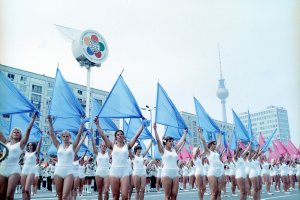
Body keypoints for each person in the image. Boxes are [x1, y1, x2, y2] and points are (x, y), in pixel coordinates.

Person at [94, 116, 144, 200]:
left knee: (125, 196)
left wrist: (142, 126)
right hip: (114, 172)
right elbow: (102, 135)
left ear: (123, 136)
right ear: (116, 137)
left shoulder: (127, 146)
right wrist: (97, 124)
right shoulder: (112, 146)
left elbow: (136, 136)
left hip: (124, 172)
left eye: (121, 134)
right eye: (118, 134)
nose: (120, 135)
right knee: (115, 195)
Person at [47, 115, 86, 200]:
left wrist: (82, 122)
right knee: (60, 195)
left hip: (69, 172)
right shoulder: (58, 145)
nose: (65, 138)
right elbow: (52, 134)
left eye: (67, 136)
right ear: (61, 137)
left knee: (65, 196)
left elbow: (79, 135)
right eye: (63, 136)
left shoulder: (73, 146)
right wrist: (50, 122)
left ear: (70, 137)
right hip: (58, 172)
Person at [0, 112, 37, 200]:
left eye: (18, 132)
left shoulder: (21, 144)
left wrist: (32, 119)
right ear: (11, 134)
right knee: (1, 194)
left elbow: (27, 131)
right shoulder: (6, 142)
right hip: (2, 169)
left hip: (14, 170)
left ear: (20, 135)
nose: (16, 132)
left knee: (9, 195)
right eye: (14, 131)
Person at [153, 122, 187, 200]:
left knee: (174, 194)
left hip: (175, 173)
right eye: (169, 141)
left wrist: (185, 133)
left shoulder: (174, 149)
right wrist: (155, 130)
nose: (171, 142)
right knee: (167, 195)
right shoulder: (162, 150)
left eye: (172, 141)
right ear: (165, 142)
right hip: (166, 173)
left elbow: (181, 141)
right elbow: (158, 141)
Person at [197, 127, 223, 200]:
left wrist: (220, 135)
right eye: (214, 144)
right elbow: (203, 141)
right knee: (214, 192)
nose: (215, 145)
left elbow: (219, 143)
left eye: (215, 144)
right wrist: (200, 133)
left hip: (219, 171)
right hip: (212, 172)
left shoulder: (216, 151)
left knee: (219, 191)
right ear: (210, 145)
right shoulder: (208, 152)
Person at [21, 135, 42, 200]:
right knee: (23, 190)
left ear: (33, 146)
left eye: (31, 145)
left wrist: (41, 138)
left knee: (27, 189)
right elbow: (21, 145)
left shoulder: (35, 153)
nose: (30, 146)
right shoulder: (25, 152)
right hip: (24, 170)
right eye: (29, 145)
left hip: (31, 170)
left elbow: (39, 146)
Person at [91, 133, 110, 200]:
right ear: (100, 146)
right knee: (99, 191)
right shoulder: (97, 153)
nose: (103, 147)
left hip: (107, 173)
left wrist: (107, 139)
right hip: (99, 172)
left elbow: (111, 146)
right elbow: (93, 145)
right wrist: (92, 137)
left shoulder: (108, 153)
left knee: (107, 190)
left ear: (106, 147)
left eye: (105, 146)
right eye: (102, 146)